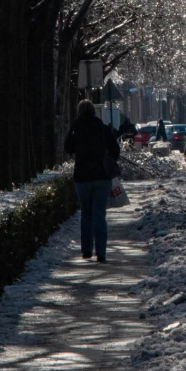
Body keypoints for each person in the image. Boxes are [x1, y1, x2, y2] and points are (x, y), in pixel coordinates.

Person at [64, 99, 120, 262]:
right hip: (101, 177)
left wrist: (72, 130)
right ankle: (101, 253)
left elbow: (68, 148)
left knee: (86, 214)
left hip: (82, 177)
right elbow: (115, 149)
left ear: (79, 111)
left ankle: (86, 250)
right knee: (99, 215)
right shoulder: (101, 128)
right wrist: (108, 160)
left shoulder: (77, 128)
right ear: (93, 112)